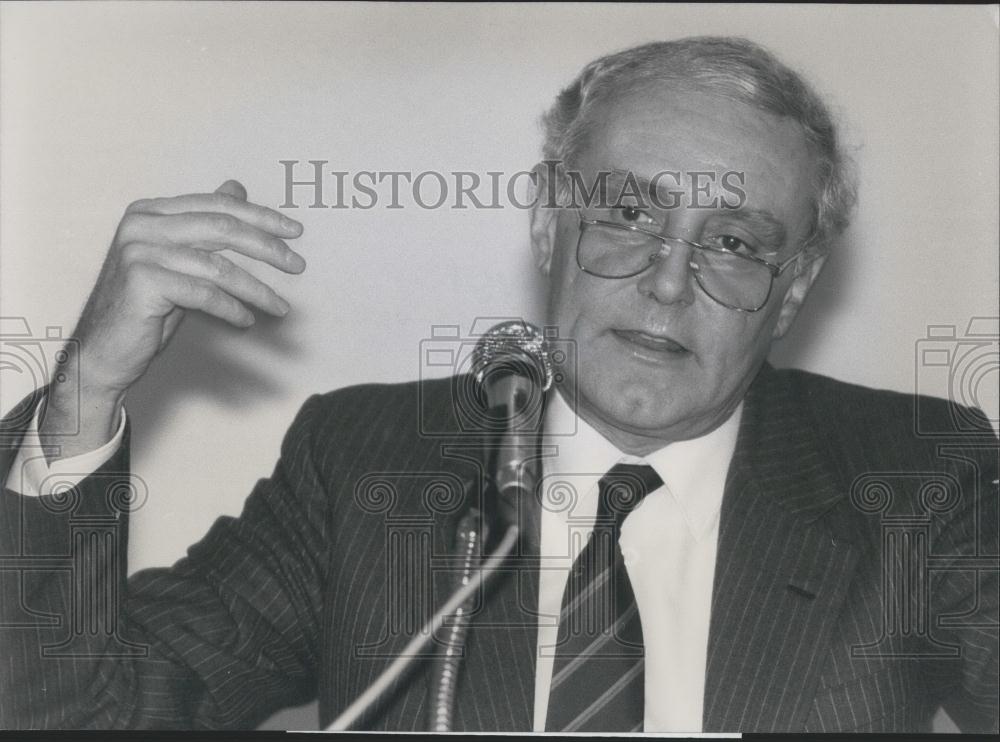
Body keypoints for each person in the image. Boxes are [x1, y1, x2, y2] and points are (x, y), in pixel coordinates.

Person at [1, 36, 996, 733]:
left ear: (793, 290)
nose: (663, 281)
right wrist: (85, 387)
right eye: (626, 217)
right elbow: (76, 714)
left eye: (733, 244)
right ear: (545, 224)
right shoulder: (368, 463)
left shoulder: (914, 476)